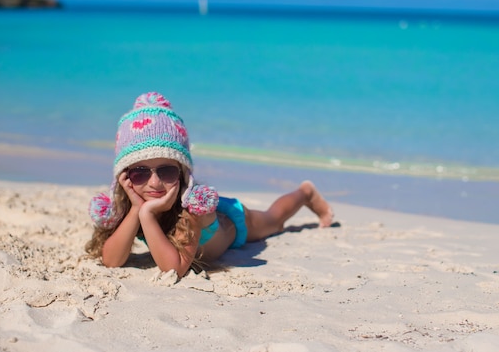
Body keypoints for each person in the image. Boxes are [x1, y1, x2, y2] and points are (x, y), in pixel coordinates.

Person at [84, 91, 333, 278]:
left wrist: (147, 215)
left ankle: (305, 193)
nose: (155, 182)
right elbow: (112, 261)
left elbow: (175, 268)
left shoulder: (190, 210)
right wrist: (137, 210)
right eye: (140, 172)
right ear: (124, 177)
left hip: (231, 224)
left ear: (182, 173)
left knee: (274, 220)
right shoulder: (129, 206)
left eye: (167, 170)